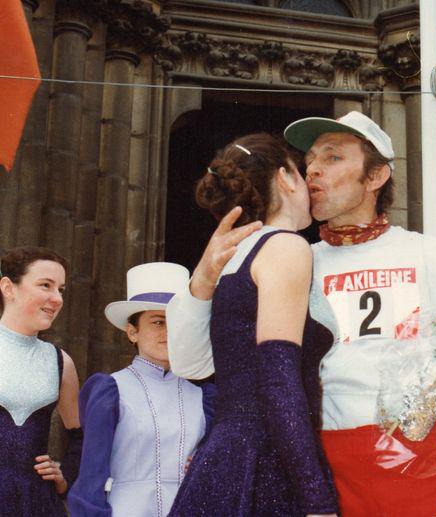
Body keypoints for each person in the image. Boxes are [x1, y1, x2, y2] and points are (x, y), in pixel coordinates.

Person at [167, 111, 436, 516]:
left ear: (375, 176)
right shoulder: (288, 257)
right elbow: (194, 362)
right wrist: (203, 278)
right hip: (327, 467)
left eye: (333, 157)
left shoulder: (432, 254)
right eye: (309, 161)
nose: (313, 170)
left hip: (426, 462)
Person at [168, 133, 338, 516]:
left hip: (227, 454)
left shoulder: (236, 253)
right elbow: (278, 380)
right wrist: (316, 499)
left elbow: (191, 365)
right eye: (300, 171)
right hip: (268, 457)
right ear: (285, 177)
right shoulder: (286, 246)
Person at [68, 262, 215, 516]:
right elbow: (92, 476)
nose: (169, 332)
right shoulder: (111, 390)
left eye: (176, 322)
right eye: (158, 322)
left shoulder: (204, 397)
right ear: (132, 332)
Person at [0, 246, 81, 516]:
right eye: (45, 285)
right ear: (8, 288)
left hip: (38, 504)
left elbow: (80, 435)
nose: (57, 298)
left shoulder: (60, 362)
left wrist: (65, 475)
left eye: (61, 289)